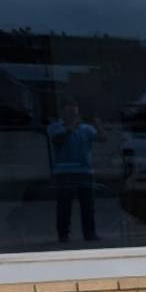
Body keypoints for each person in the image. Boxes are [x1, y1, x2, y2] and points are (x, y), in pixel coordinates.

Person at [47, 100, 101, 243]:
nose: (73, 115)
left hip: (84, 171)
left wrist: (97, 122)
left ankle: (90, 234)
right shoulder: (54, 127)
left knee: (87, 206)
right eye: (70, 112)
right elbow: (57, 140)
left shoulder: (86, 129)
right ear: (63, 112)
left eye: (75, 112)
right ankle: (63, 235)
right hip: (63, 172)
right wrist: (71, 127)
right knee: (64, 206)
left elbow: (103, 138)